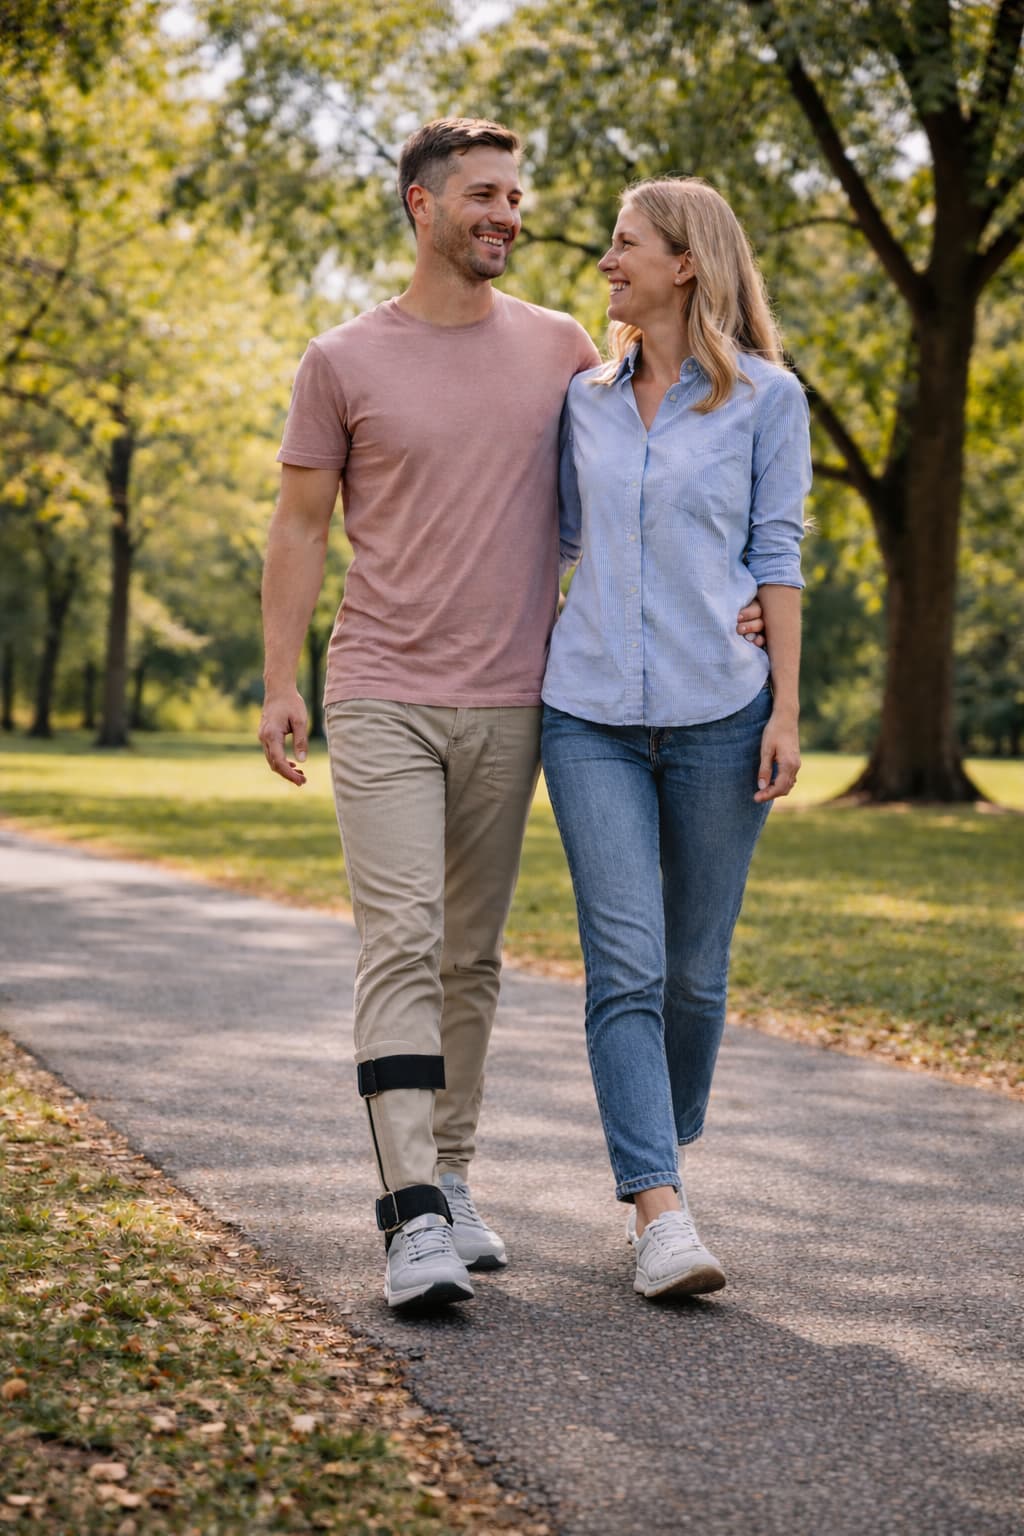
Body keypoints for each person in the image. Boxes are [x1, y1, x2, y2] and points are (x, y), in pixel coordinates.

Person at [259, 122, 765, 1311]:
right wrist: (279, 680)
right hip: (380, 688)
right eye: (483, 194)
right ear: (419, 206)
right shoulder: (341, 357)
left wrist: (736, 602)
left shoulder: (565, 349)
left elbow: (654, 483)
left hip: (519, 696)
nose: (509, 214)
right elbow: (297, 528)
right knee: (399, 939)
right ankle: (410, 1219)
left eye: (516, 196)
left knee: (469, 956)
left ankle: (454, 1175)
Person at [541, 176, 811, 1301]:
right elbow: (549, 541)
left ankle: (661, 1132)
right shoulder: (581, 401)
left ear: (684, 264)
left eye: (624, 245)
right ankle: (657, 1206)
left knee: (694, 979)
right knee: (627, 969)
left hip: (719, 714)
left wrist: (786, 705)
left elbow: (777, 553)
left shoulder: (766, 399)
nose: (606, 262)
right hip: (588, 712)